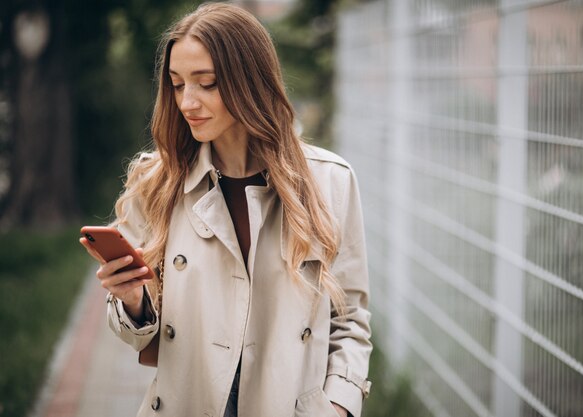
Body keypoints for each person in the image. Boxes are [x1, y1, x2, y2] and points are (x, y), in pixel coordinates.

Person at [79, 3, 371, 417]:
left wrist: (338, 405)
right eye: (178, 85)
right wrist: (131, 300)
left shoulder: (330, 183)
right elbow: (141, 337)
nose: (187, 102)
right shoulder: (158, 184)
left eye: (207, 83)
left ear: (250, 81)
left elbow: (351, 320)